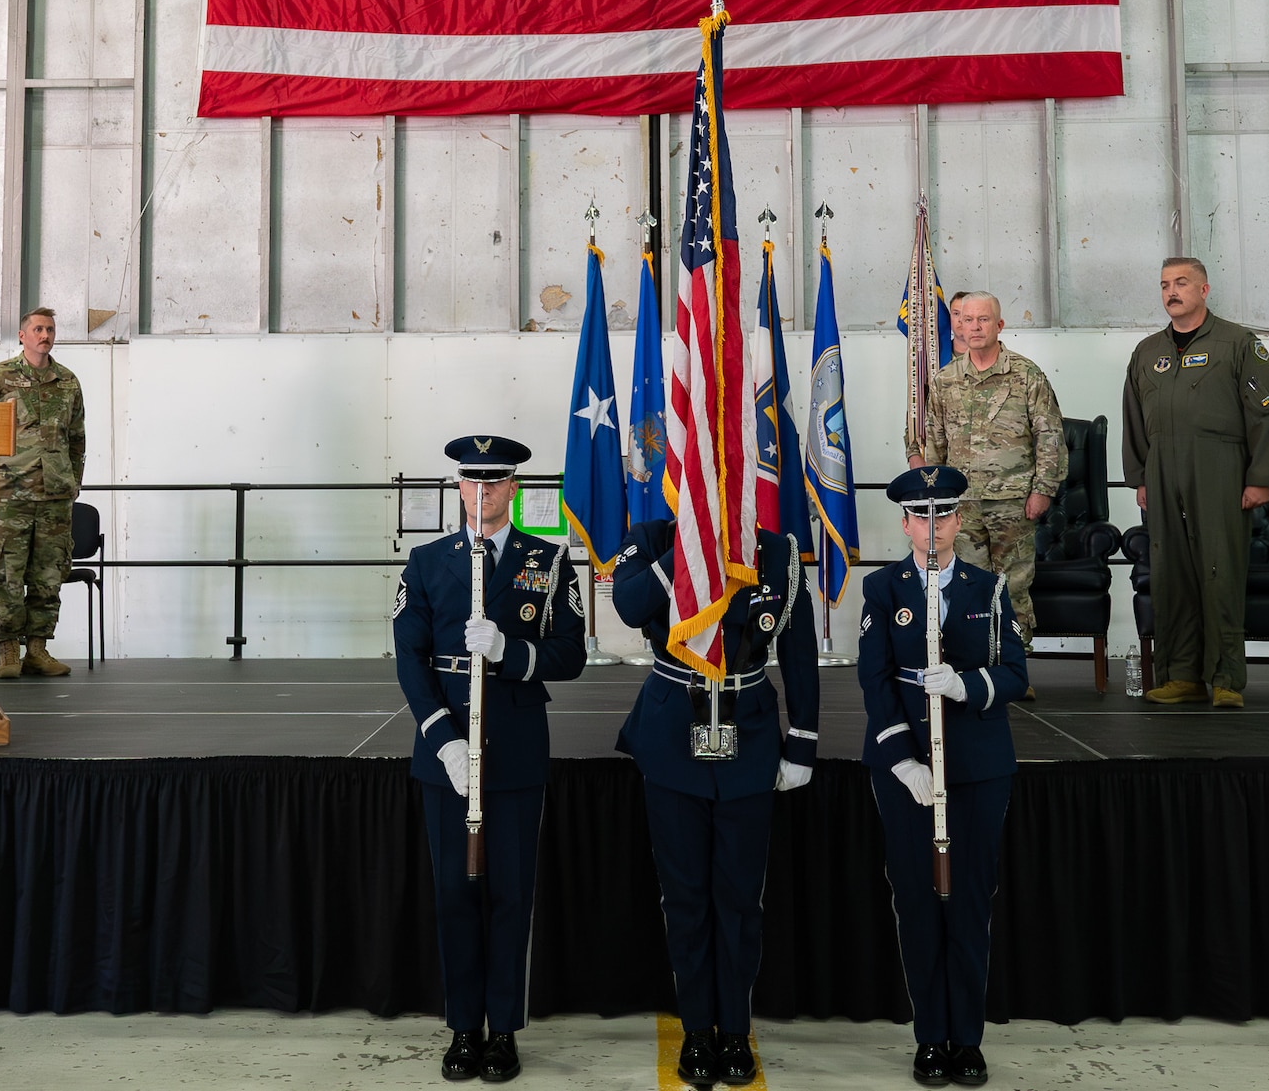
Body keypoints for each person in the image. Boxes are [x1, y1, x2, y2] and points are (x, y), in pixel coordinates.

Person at [392, 435, 587, 1083]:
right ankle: (463, 1027)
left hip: (515, 747)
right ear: (458, 487)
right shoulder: (426, 561)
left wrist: (511, 651)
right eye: (472, 481)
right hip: (446, 750)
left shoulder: (547, 560)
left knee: (510, 894)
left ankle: (502, 1029)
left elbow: (571, 654)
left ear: (514, 488)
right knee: (454, 893)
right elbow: (409, 659)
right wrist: (443, 739)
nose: (483, 492)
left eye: (495, 481)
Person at [612, 518, 820, 1088]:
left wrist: (803, 740)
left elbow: (798, 649)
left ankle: (734, 1029)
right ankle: (698, 1030)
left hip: (747, 733)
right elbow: (629, 607)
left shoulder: (776, 552)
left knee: (739, 899)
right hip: (671, 735)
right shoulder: (651, 539)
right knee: (684, 899)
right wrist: (688, 548)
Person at [860, 465, 1027, 1087]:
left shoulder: (989, 588)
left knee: (971, 901)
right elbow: (874, 680)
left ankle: (967, 1039)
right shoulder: (883, 589)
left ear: (959, 520)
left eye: (944, 515)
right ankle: (931, 1037)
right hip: (906, 764)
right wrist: (902, 758)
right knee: (916, 900)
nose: (933, 528)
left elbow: (1014, 674)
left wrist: (966, 685)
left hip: (978, 764)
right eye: (921, 517)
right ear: (905, 524)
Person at [1121, 258, 1269, 707]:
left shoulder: (1237, 343)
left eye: (1181, 283)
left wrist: (1261, 477)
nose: (1171, 292)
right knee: (1170, 574)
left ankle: (1226, 678)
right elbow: (1133, 418)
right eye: (1164, 285)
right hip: (1162, 469)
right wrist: (1140, 477)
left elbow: (1267, 413)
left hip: (1220, 466)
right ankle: (1181, 675)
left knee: (1220, 571)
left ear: (1204, 289)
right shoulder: (1147, 352)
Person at [907, 291, 1067, 650]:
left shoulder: (1026, 375)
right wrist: (937, 500)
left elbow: (1050, 436)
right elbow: (935, 443)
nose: (975, 327)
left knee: (1014, 587)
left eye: (983, 320)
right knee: (967, 586)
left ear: (999, 325)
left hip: (1013, 502)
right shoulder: (945, 380)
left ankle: (1014, 663)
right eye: (967, 320)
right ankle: (976, 664)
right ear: (959, 326)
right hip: (962, 506)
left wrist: (1042, 490)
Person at [0, 307, 85, 680]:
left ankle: (37, 650)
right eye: (37, 329)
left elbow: (77, 438)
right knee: (6, 573)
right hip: (9, 494)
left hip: (55, 496)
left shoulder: (67, 382)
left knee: (48, 574)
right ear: (22, 336)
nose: (45, 335)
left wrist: (73, 481)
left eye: (49, 329)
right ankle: (7, 651)